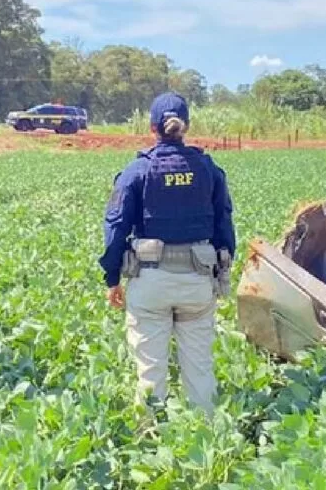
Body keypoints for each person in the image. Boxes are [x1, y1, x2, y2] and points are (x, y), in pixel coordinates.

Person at [99, 92, 236, 416]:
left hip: (150, 281)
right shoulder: (208, 169)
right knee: (200, 370)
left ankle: (150, 443)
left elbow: (115, 226)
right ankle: (209, 441)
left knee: (150, 370)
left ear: (152, 127)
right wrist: (223, 268)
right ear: (185, 126)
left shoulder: (137, 171)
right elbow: (224, 226)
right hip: (197, 280)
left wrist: (111, 277)